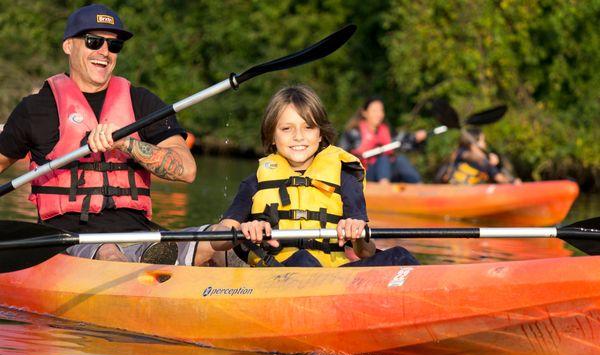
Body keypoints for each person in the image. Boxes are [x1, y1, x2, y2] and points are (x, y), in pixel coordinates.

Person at [0, 4, 204, 264]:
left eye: (113, 45)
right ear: (68, 45)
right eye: (93, 42)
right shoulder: (36, 110)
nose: (104, 52)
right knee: (108, 251)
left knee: (217, 241)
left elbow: (187, 170)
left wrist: (125, 144)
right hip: (69, 240)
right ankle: (146, 281)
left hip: (140, 236)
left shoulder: (142, 102)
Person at [209, 86, 418, 267]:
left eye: (308, 127)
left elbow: (365, 252)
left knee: (399, 256)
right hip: (279, 274)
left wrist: (358, 236)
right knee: (304, 259)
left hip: (334, 276)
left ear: (320, 134)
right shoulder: (255, 182)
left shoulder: (343, 178)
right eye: (286, 129)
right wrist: (246, 229)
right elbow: (218, 241)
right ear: (272, 135)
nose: (298, 136)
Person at [338, 97, 427, 183]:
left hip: (386, 171)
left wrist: (415, 138)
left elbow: (402, 142)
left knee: (400, 160)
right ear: (364, 113)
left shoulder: (386, 131)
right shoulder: (354, 133)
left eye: (381, 110)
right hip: (363, 173)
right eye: (375, 111)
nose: (379, 114)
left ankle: (420, 188)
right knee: (383, 159)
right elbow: (340, 156)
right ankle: (383, 190)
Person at [440, 127, 518, 184]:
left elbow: (499, 177)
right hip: (451, 190)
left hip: (470, 197)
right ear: (473, 144)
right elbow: (469, 156)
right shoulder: (460, 153)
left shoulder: (487, 164)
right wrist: (485, 158)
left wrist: (512, 181)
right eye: (482, 140)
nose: (485, 144)